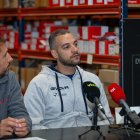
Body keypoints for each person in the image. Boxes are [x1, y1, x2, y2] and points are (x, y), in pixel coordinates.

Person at [24, 29, 114, 130]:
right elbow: (34, 125)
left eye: (75, 44)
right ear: (55, 54)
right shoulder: (39, 84)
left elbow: (106, 119)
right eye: (66, 47)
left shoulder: (92, 79)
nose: (75, 50)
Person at [0, 37, 32, 138]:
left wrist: (24, 125)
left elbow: (19, 112)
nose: (10, 58)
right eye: (5, 55)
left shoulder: (10, 78)